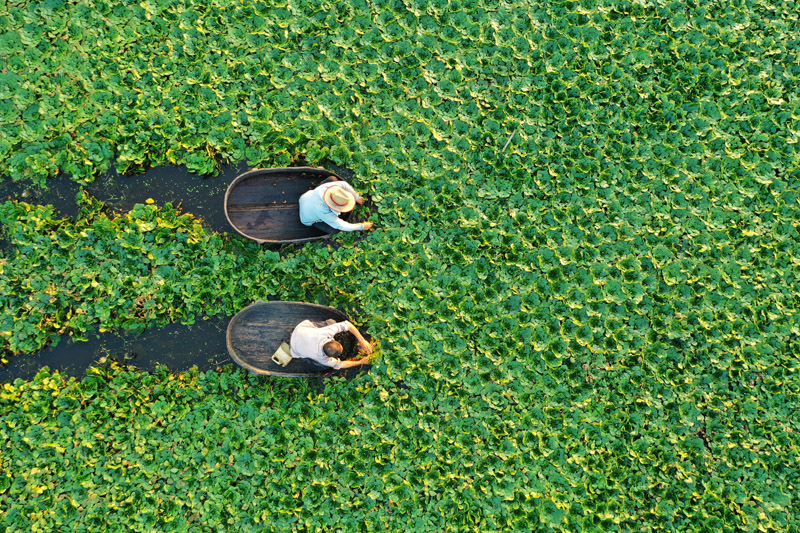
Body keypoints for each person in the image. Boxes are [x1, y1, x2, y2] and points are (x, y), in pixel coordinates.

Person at [289, 318, 373, 370]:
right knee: (323, 365)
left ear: (331, 340)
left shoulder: (324, 333)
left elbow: (347, 324)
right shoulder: (322, 359)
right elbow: (340, 365)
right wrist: (361, 362)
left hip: (300, 330)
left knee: (331, 323)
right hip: (293, 348)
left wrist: (362, 340)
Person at [298, 176, 374, 233]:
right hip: (307, 219)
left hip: (305, 198)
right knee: (335, 230)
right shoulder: (323, 211)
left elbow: (344, 184)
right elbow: (340, 225)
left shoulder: (329, 188)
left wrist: (356, 197)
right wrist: (361, 226)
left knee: (332, 179)